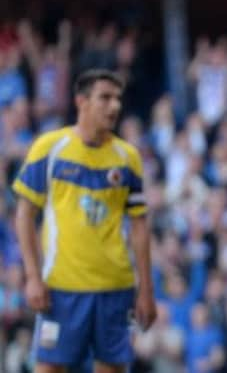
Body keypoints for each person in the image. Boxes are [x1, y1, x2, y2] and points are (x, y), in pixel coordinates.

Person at [12, 69, 157, 373]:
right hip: (62, 288)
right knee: (49, 369)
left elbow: (140, 225)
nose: (114, 106)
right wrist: (32, 275)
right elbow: (25, 214)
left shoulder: (127, 157)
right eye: (105, 97)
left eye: (117, 98)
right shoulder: (49, 148)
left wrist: (146, 290)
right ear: (81, 102)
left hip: (115, 288)